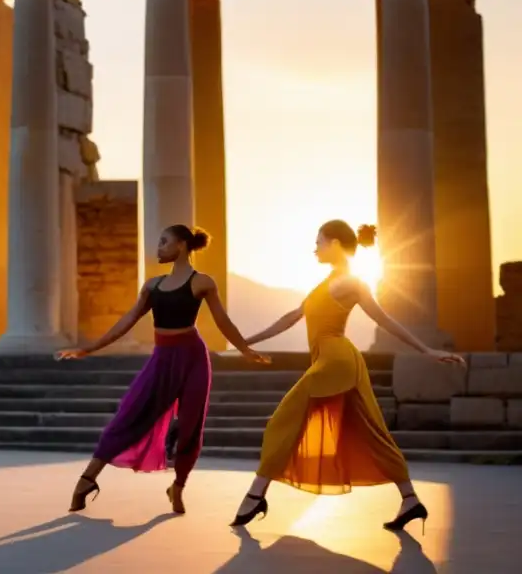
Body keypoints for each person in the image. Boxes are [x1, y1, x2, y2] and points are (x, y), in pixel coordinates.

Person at [229, 221, 465, 532]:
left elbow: (385, 319)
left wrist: (427, 350)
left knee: (282, 421)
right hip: (333, 361)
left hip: (336, 362)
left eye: (320, 241)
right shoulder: (327, 282)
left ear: (337, 243)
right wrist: (245, 343)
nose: (315, 248)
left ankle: (255, 494)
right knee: (371, 430)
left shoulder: (350, 283)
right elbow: (293, 316)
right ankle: (410, 499)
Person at [56, 224, 270, 515]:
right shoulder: (152, 286)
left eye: (164, 242)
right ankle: (86, 480)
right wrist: (89, 348)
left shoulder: (202, 282)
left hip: (194, 358)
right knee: (130, 415)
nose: (158, 248)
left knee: (191, 425)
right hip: (163, 358)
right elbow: (127, 320)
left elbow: (223, 321)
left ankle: (178, 487)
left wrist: (245, 349)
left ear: (181, 246)